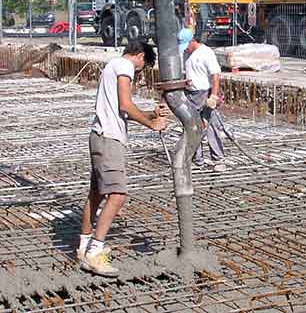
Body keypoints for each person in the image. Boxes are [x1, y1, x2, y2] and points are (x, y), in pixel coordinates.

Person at [78, 41, 169, 277]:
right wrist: (151, 124)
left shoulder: (113, 66)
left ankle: (84, 247)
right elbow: (126, 105)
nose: (139, 73)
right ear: (140, 56)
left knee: (96, 194)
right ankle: (95, 252)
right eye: (142, 67)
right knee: (117, 195)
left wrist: (150, 114)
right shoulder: (125, 66)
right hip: (109, 139)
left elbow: (121, 110)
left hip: (99, 136)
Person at [178, 23, 226, 172]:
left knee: (211, 126)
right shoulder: (186, 53)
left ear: (192, 41)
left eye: (186, 45)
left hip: (205, 93)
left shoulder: (206, 53)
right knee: (192, 127)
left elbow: (215, 75)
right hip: (190, 94)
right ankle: (196, 159)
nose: (185, 49)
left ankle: (218, 159)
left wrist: (213, 96)